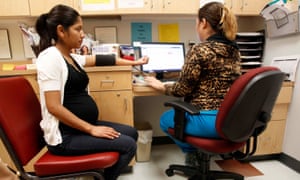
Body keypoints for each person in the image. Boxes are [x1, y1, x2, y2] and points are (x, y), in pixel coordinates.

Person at [34, 4, 148, 180]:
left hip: (79, 128)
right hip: (65, 136)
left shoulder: (71, 57)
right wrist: (92, 129)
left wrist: (134, 63)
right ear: (61, 31)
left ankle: (99, 176)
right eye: (78, 29)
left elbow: (103, 59)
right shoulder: (50, 58)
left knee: (131, 132)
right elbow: (53, 107)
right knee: (128, 145)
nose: (82, 34)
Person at [144, 1, 241, 166]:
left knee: (165, 120)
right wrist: (175, 74)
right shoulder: (234, 50)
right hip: (230, 119)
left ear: (203, 23)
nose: (196, 27)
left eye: (196, 23)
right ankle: (201, 155)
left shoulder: (199, 49)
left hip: (206, 120)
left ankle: (193, 154)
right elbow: (212, 73)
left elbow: (181, 90)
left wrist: (160, 85)